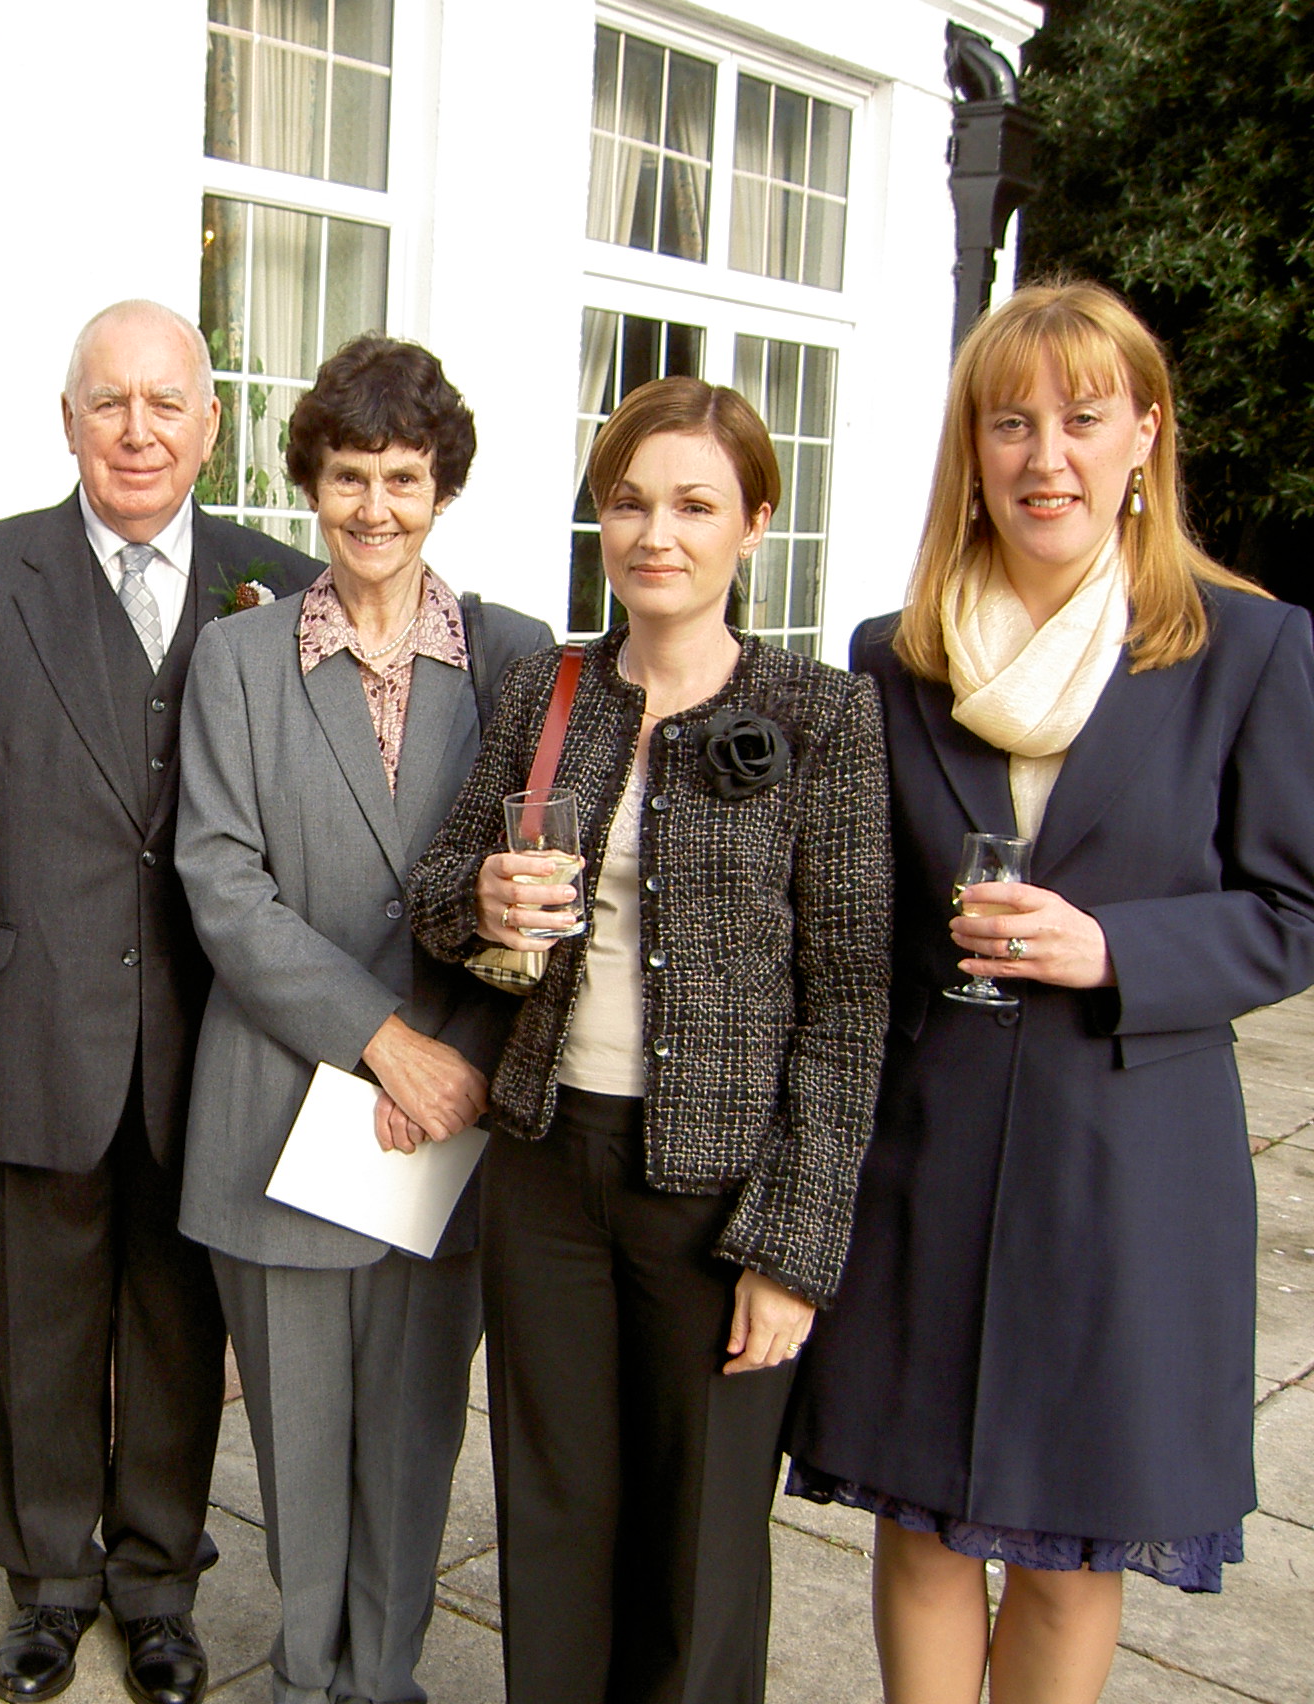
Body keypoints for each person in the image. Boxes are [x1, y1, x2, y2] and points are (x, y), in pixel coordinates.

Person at [786, 281, 1314, 1702]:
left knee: (1076, 1545)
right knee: (920, 1521)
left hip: (1127, 1165)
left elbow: (1293, 909)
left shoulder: (1248, 650)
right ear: (976, 446)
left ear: (1145, 434)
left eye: (1083, 420)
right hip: (931, 1144)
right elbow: (856, 914)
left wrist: (1117, 948)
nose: (1046, 457)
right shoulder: (894, 659)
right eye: (1011, 423)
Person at [407, 376, 891, 1704]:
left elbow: (850, 1007)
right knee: (554, 1510)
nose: (655, 535)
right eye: (627, 503)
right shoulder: (548, 688)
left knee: (701, 1541)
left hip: (719, 1194)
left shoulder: (823, 717)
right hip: (547, 1167)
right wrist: (481, 899)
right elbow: (440, 891)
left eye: (692, 505)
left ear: (755, 524)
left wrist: (793, 1253)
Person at [0, 299, 318, 1704]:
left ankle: (160, 1581)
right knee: (39, 1322)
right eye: (107, 402)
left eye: (164, 403)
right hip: (23, 1028)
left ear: (210, 422)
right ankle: (49, 1583)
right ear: (68, 420)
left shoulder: (280, 588)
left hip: (212, 1039)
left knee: (183, 1325)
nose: (137, 430)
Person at [175, 336, 552, 1704]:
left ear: (442, 484)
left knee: (410, 1429)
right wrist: (378, 1041)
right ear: (310, 482)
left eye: (402, 477)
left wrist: (446, 1058)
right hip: (283, 1100)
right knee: (298, 1429)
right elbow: (221, 882)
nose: (374, 507)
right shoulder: (238, 656)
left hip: (451, 1112)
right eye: (347, 476)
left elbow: (531, 880)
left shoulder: (520, 660)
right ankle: (302, 1669)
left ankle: (382, 1675)